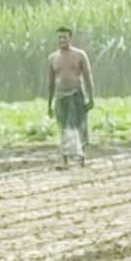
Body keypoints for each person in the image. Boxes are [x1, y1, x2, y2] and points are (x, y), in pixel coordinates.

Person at [46, 26, 95, 166]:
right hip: (60, 97)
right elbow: (50, 83)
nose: (62, 40)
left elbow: (87, 77)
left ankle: (82, 158)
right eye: (59, 37)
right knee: (64, 128)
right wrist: (49, 104)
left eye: (64, 37)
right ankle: (65, 161)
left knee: (78, 126)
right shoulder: (53, 58)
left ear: (70, 38)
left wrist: (91, 98)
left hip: (76, 95)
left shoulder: (80, 55)